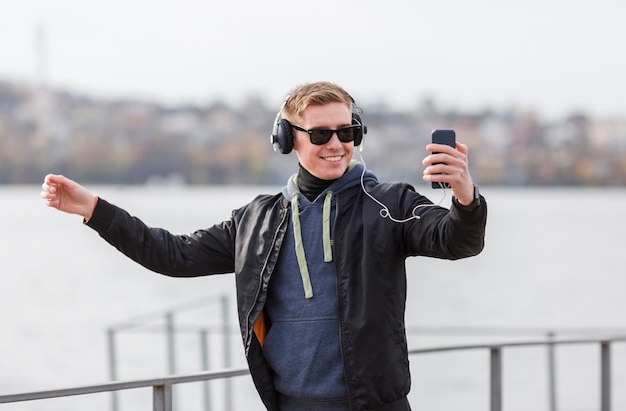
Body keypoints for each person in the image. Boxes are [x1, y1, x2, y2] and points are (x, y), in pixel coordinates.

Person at [41, 81, 487, 411]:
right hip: (289, 404)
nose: (336, 144)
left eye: (346, 131)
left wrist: (465, 195)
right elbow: (172, 256)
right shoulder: (257, 219)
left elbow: (457, 239)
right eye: (320, 134)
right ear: (287, 139)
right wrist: (95, 210)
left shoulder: (389, 204)